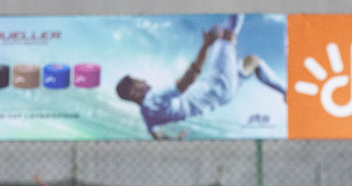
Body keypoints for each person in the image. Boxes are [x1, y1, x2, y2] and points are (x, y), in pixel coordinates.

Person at [115, 16, 285, 139]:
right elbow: (187, 81)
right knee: (227, 34)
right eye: (139, 82)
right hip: (216, 86)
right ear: (134, 93)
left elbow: (156, 135)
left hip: (222, 97)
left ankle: (286, 92)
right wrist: (205, 46)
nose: (145, 81)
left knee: (252, 61)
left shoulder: (146, 115)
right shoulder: (154, 98)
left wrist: (174, 140)